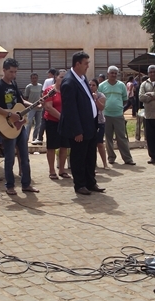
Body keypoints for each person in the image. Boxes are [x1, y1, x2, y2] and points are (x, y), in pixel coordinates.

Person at [0, 58, 39, 196]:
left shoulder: (14, 84)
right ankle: (9, 186)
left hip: (19, 125)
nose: (13, 74)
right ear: (4, 70)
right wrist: (9, 114)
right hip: (7, 125)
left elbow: (21, 101)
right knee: (10, 157)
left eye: (15, 72)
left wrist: (35, 105)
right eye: (11, 72)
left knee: (24, 157)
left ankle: (26, 184)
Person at [59, 52, 104, 195]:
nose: (88, 66)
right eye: (86, 63)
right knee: (79, 157)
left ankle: (91, 182)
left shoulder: (83, 78)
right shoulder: (69, 82)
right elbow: (70, 109)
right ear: (77, 64)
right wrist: (77, 131)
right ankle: (80, 185)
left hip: (90, 124)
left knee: (90, 156)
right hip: (79, 128)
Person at [98, 66, 135, 165]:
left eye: (115, 73)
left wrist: (118, 107)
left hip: (118, 115)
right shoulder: (102, 86)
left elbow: (125, 100)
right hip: (106, 115)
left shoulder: (121, 85)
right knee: (108, 137)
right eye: (112, 73)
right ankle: (111, 157)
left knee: (121, 137)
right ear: (108, 74)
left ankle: (127, 158)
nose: (114, 75)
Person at [43, 70, 71, 179]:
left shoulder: (68, 91)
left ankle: (62, 170)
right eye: (61, 77)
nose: (63, 80)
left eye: (65, 77)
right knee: (51, 147)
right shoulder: (49, 90)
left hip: (65, 123)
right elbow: (48, 107)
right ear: (56, 77)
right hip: (52, 122)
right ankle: (52, 170)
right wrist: (62, 118)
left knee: (64, 146)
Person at [89, 79, 108, 170]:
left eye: (93, 85)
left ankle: (105, 163)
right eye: (90, 85)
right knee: (90, 145)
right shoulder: (85, 95)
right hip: (89, 123)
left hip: (99, 122)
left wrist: (96, 99)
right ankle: (93, 165)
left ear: (97, 87)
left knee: (100, 143)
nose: (91, 87)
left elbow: (101, 107)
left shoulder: (101, 95)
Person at [24, 73, 44, 144]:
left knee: (38, 124)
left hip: (39, 108)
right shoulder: (28, 87)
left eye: (35, 78)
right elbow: (26, 98)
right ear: (31, 79)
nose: (34, 79)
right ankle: (26, 138)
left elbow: (41, 95)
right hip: (31, 108)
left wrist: (41, 104)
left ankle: (35, 138)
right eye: (33, 78)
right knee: (29, 123)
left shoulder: (40, 86)